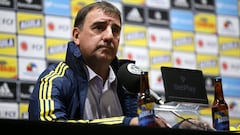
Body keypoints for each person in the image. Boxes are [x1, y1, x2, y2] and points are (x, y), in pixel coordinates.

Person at [28, 1, 213, 130]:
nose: (109, 36)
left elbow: (145, 125)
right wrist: (126, 124)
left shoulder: (130, 83)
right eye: (99, 27)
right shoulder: (54, 80)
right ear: (76, 36)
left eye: (115, 30)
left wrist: (180, 127)